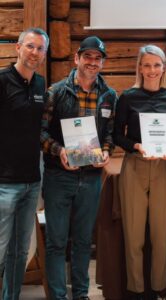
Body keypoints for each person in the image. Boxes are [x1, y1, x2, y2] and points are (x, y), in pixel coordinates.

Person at [40, 36, 117, 300]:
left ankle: (81, 295)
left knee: (84, 242)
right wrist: (59, 150)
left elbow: (110, 134)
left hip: (92, 177)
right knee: (56, 243)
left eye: (98, 58)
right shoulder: (56, 92)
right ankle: (58, 296)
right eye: (88, 57)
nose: (92, 62)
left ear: (102, 62)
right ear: (77, 58)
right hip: (59, 176)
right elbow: (40, 132)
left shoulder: (109, 95)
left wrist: (106, 151)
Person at [113, 45, 166, 300]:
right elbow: (117, 134)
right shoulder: (128, 97)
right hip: (135, 166)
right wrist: (136, 146)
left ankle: (156, 289)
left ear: (163, 67)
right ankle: (136, 290)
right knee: (134, 235)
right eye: (147, 65)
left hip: (164, 167)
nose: (152, 70)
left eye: (156, 65)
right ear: (139, 68)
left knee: (162, 234)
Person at [0, 27, 49, 300]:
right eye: (30, 46)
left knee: (19, 252)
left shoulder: (41, 84)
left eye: (40, 49)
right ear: (18, 48)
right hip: (4, 183)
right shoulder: (2, 81)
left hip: (31, 181)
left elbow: (41, 128)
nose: (35, 53)